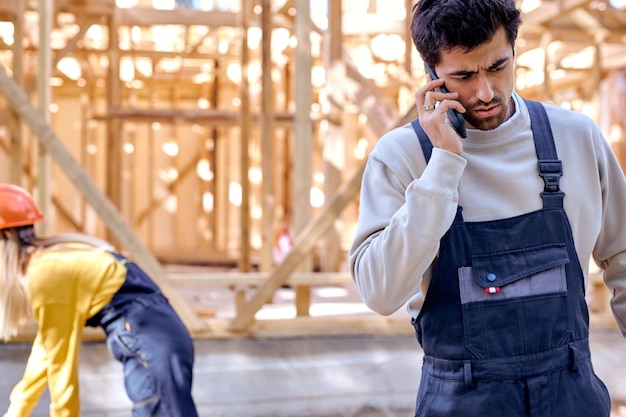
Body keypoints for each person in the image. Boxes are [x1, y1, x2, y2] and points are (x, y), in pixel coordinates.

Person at [349, 0, 626, 416]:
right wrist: (443, 165)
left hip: (571, 396)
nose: (485, 92)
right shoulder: (402, 156)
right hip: (463, 402)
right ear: (431, 75)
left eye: (498, 67)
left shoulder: (577, 138)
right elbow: (381, 292)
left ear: (515, 51)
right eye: (463, 76)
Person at [0, 183, 199, 417]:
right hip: (155, 333)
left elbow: (60, 364)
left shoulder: (45, 273)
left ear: (4, 235)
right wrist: (17, 412)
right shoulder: (51, 259)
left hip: (149, 335)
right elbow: (47, 349)